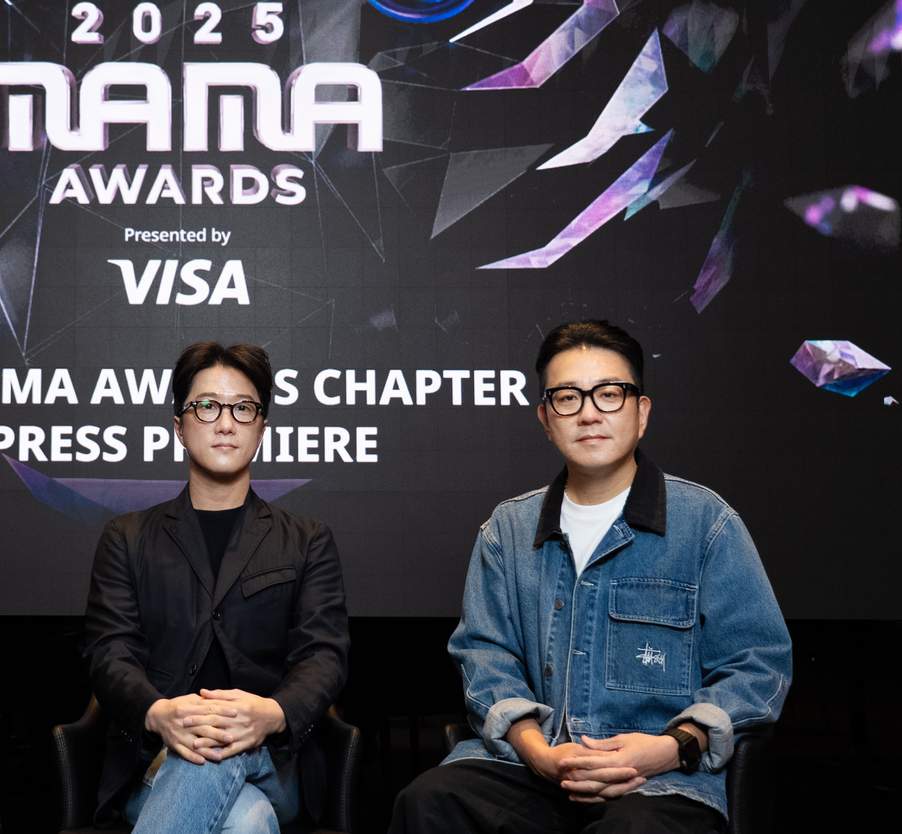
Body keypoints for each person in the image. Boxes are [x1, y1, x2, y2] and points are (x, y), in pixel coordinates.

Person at [390, 320, 792, 833]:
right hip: (535, 768)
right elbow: (484, 655)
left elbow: (759, 664)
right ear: (545, 418)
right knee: (428, 800)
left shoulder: (706, 523)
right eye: (567, 398)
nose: (588, 414)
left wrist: (673, 747)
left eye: (609, 394)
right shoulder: (507, 530)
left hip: (662, 779)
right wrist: (538, 753)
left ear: (641, 412)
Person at [83, 342, 350, 833]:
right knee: (246, 822)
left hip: (273, 760)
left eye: (243, 408)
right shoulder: (127, 537)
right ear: (180, 426)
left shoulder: (307, 540)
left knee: (218, 746)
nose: (225, 423)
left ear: (261, 429)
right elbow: (109, 652)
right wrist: (159, 713)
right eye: (207, 406)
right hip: (155, 763)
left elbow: (324, 656)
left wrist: (271, 714)